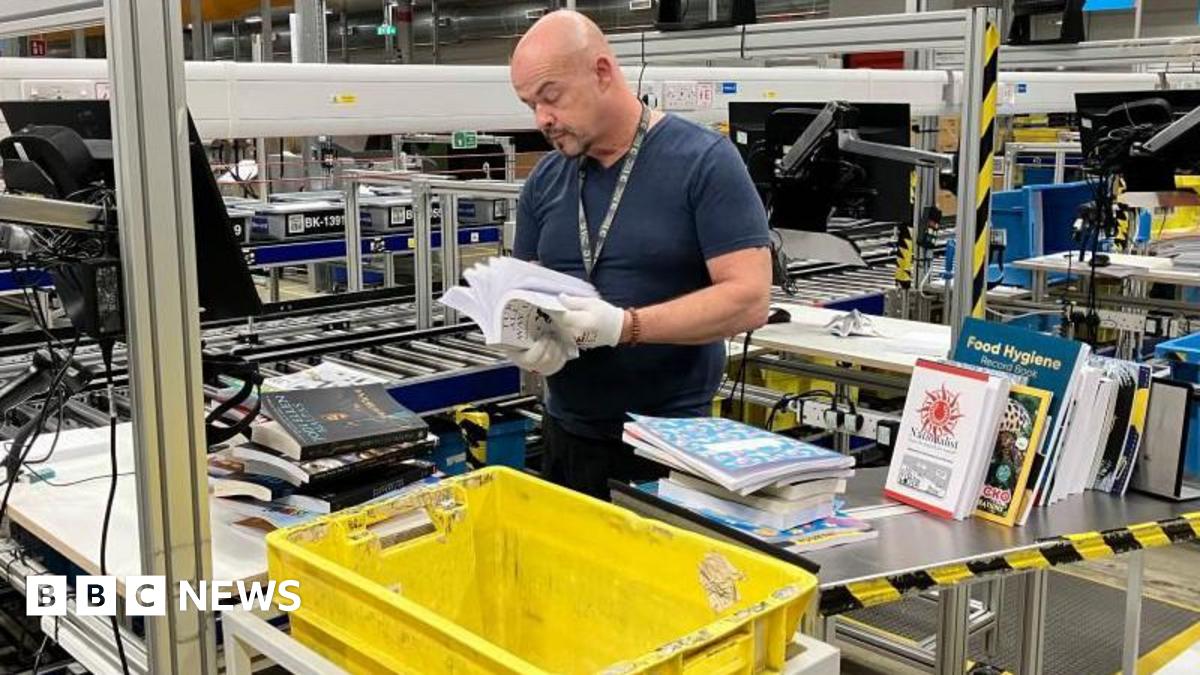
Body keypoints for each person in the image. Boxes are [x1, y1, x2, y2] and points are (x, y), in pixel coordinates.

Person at [508, 10, 771, 499]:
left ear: (603, 73)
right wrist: (524, 339)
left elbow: (749, 298)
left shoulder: (704, 161)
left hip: (672, 447)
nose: (542, 119)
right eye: (530, 105)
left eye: (550, 97)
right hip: (567, 438)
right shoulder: (545, 180)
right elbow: (525, 293)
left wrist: (627, 327)